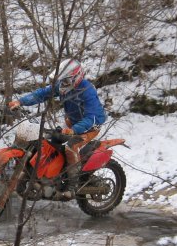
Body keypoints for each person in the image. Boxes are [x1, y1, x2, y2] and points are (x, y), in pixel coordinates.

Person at [8, 57, 107, 199]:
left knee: (70, 147)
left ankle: (72, 186)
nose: (62, 85)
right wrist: (20, 102)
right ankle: (50, 175)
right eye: (62, 81)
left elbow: (93, 117)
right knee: (49, 141)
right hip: (71, 123)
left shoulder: (87, 90)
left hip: (90, 126)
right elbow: (41, 94)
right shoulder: (63, 86)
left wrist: (74, 130)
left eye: (65, 81)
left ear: (75, 78)